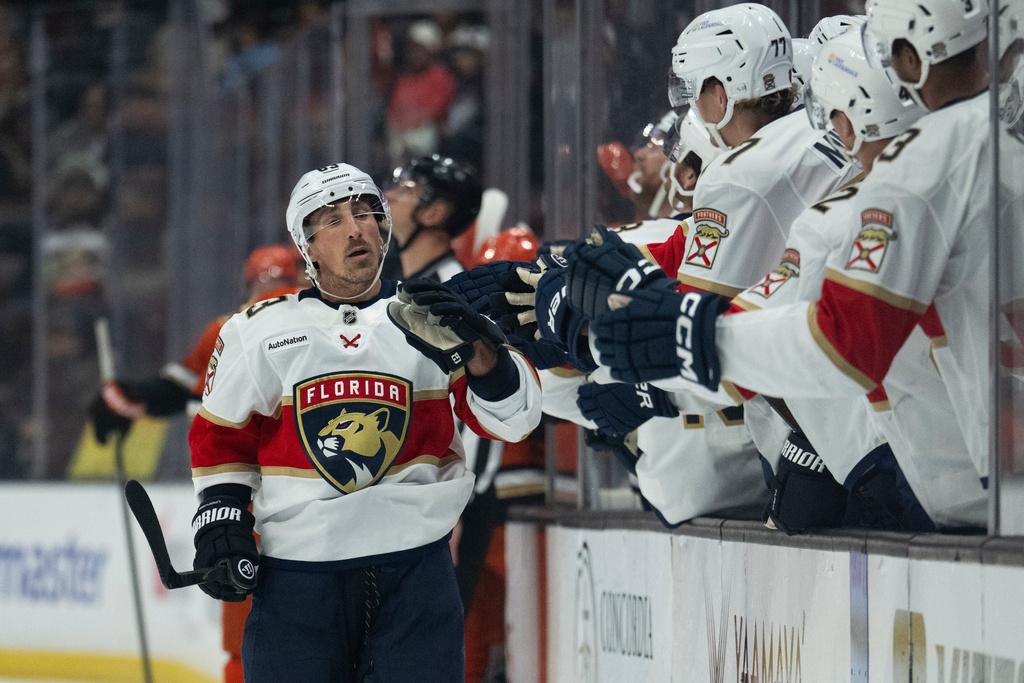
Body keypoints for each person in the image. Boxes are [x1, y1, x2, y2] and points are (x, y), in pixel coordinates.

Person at [590, 0, 999, 518]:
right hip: (983, 463)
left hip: (968, 484)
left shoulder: (918, 168)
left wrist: (698, 339)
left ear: (910, 59)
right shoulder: (998, 129)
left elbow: (845, 342)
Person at [188, 162, 541, 682]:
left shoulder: (432, 317)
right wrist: (220, 513)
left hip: (416, 573)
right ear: (305, 246)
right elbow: (221, 439)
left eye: (365, 212)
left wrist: (485, 355)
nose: (355, 227)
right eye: (331, 220)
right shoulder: (255, 331)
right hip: (298, 583)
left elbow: (514, 421)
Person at [89, 244, 301, 445]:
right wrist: (133, 397)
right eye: (267, 286)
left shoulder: (228, 328)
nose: (272, 295)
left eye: (282, 286)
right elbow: (182, 386)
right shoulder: (225, 329)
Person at [384, 153, 482, 280]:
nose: (388, 195)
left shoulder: (449, 286)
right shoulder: (398, 276)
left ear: (434, 213)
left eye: (406, 190)